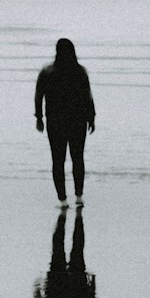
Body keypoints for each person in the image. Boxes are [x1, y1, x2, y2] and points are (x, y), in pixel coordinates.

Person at [34, 38, 95, 207]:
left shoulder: (47, 72)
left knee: (58, 160)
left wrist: (39, 118)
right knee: (78, 159)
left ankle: (62, 200)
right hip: (77, 120)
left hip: (55, 122)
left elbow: (39, 96)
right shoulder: (79, 71)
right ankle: (79, 197)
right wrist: (92, 117)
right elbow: (88, 96)